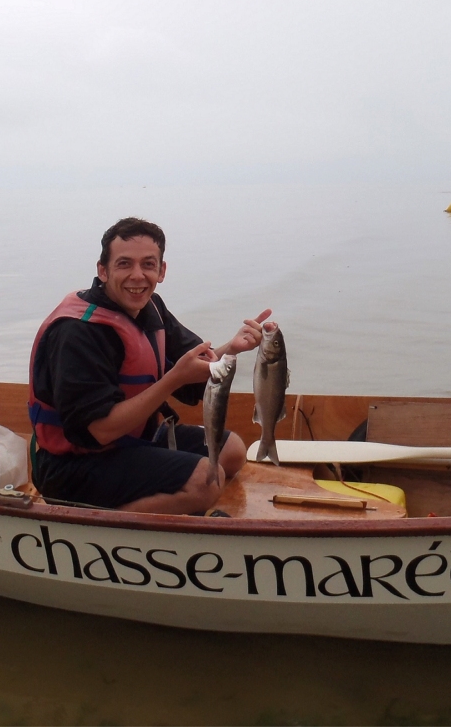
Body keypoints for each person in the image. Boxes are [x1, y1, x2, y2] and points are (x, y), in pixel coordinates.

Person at [28, 217, 271, 515]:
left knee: (231, 452)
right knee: (206, 480)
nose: (137, 276)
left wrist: (232, 348)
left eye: (148, 264)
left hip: (133, 440)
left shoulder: (151, 306)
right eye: (124, 264)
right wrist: (173, 380)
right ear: (102, 270)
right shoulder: (78, 332)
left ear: (161, 270)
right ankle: (101, 528)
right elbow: (100, 431)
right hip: (74, 465)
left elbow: (193, 374)